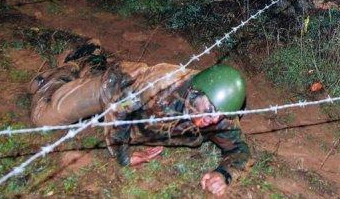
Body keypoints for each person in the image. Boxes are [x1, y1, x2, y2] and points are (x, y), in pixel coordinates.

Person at [29, 40, 250, 197]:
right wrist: (123, 155)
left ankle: (94, 59)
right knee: (45, 118)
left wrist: (223, 174)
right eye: (209, 109)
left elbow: (239, 149)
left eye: (219, 115)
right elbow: (118, 109)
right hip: (114, 89)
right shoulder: (160, 86)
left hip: (138, 111)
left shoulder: (220, 113)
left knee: (92, 112)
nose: (212, 120)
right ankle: (70, 68)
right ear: (195, 91)